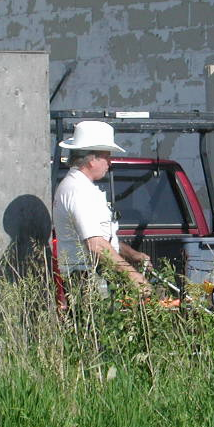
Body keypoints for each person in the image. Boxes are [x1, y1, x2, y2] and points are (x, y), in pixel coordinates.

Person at [52, 120, 152, 297]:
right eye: (106, 157)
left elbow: (102, 238)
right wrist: (133, 275)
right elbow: (95, 244)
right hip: (87, 278)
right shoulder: (79, 191)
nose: (109, 162)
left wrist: (132, 254)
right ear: (92, 160)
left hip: (93, 274)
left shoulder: (79, 186)